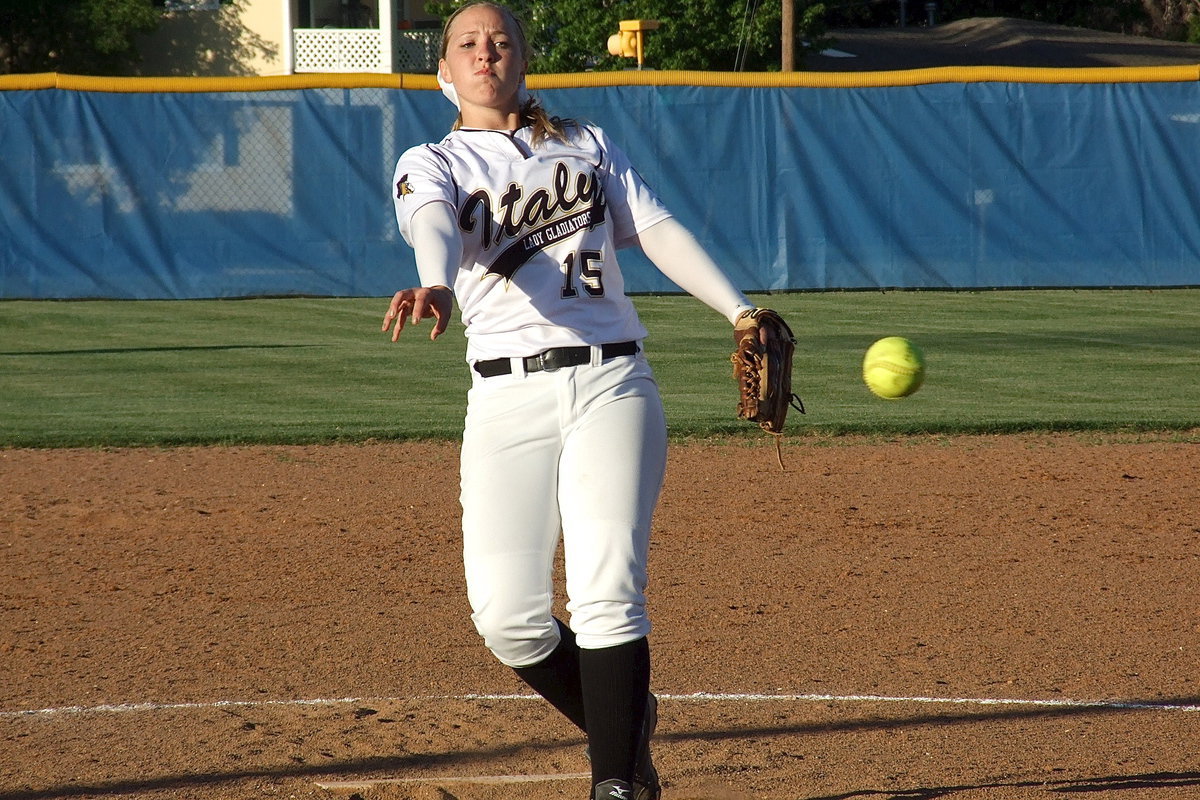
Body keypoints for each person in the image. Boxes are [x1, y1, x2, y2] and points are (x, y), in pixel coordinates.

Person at [382, 4, 758, 798]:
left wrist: (741, 310)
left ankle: (617, 783)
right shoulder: (434, 160)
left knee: (605, 588)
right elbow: (433, 225)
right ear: (443, 71)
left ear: (523, 59)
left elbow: (655, 230)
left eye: (502, 41)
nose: (487, 52)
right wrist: (437, 284)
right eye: (468, 44)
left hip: (612, 383)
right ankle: (626, 718)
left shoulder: (584, 143)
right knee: (507, 618)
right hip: (505, 399)